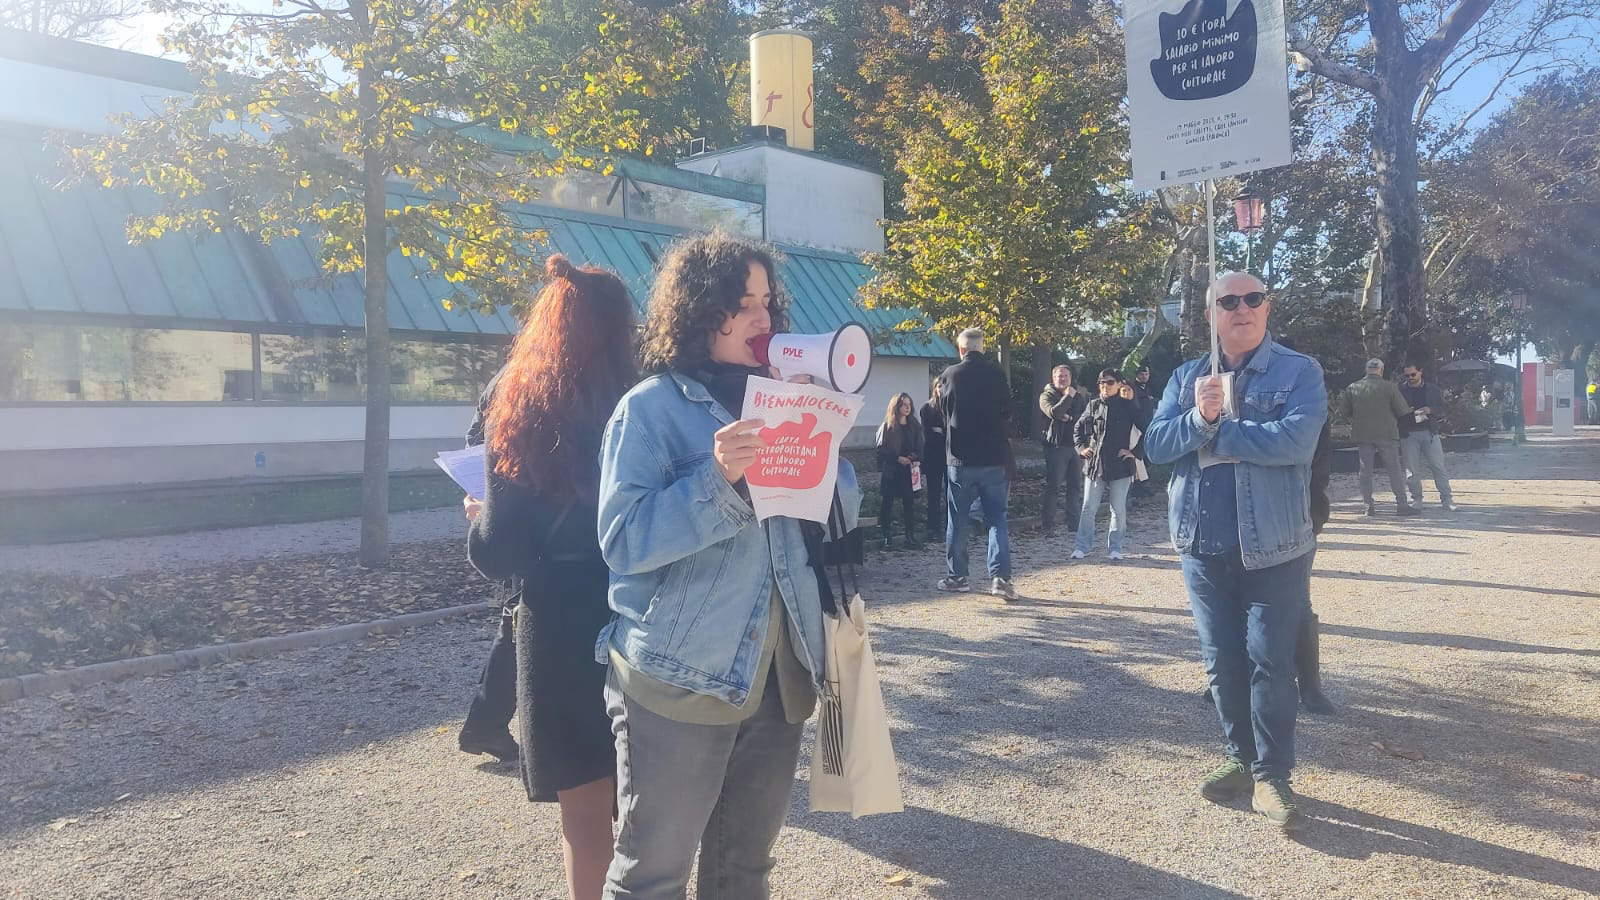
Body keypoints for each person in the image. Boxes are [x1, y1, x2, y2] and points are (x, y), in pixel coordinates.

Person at [595, 232, 860, 900]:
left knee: (745, 869)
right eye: (742, 304)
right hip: (679, 680)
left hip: (779, 678)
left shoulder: (783, 398)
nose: (763, 320)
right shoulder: (650, 408)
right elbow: (624, 542)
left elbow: (843, 514)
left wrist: (822, 434)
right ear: (698, 310)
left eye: (768, 303)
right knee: (653, 874)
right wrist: (718, 478)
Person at [466, 255, 635, 899]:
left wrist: (480, 515)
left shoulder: (524, 402)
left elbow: (500, 550)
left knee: (585, 817)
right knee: (652, 802)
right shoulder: (650, 395)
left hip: (560, 620)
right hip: (643, 608)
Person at [1145, 271, 1327, 831]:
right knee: (1222, 664)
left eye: (1253, 299)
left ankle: (1273, 776)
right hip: (1201, 545)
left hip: (1274, 548)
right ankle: (1242, 761)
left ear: (1267, 309)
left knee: (1270, 664)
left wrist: (1217, 432)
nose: (1241, 308)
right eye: (1228, 301)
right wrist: (1199, 417)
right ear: (1211, 315)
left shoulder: (1299, 372)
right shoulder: (1186, 377)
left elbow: (1297, 442)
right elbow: (1154, 446)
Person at [457, 365, 521, 765]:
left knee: (514, 624)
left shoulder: (504, 376)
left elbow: (474, 442)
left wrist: (480, 492)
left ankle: (485, 724)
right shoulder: (526, 375)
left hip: (503, 510)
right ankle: (485, 724)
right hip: (516, 514)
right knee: (516, 624)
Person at [935, 327, 1016, 600]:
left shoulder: (950, 375)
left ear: (961, 349)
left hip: (960, 459)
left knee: (958, 520)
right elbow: (1007, 412)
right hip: (994, 458)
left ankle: (958, 576)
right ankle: (1000, 579)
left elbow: (943, 413)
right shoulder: (997, 375)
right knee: (997, 520)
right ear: (983, 347)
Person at [1071, 370, 1142, 561]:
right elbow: (1078, 428)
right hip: (1095, 464)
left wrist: (1134, 453)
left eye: (1110, 382)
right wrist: (1081, 448)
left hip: (1120, 465)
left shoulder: (1129, 406)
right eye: (1101, 382)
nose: (1105, 386)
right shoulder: (1093, 405)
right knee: (1088, 507)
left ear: (1119, 384)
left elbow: (1148, 428)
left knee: (1118, 508)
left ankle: (1115, 548)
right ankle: (1082, 546)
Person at [1339, 358, 1417, 517]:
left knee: (1365, 471)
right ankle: (1402, 505)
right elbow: (1402, 411)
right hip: (1387, 434)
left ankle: (1368, 506)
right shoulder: (1390, 387)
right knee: (1394, 469)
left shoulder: (1353, 387)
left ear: (1366, 370)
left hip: (1363, 434)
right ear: (1381, 370)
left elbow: (1343, 412)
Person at [1398, 364, 1458, 511]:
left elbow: (1444, 409)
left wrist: (1430, 410)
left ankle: (1447, 499)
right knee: (1411, 470)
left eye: (1413, 375)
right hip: (1408, 433)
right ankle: (1417, 499)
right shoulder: (1400, 390)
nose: (1410, 378)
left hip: (1429, 432)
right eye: (1407, 376)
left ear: (1420, 372)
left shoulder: (1432, 389)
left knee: (1438, 467)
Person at [1038, 365, 1087, 538]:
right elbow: (1055, 412)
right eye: (1059, 376)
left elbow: (1082, 417)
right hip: (1056, 446)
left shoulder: (1078, 395)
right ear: (1053, 378)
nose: (1063, 379)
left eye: (1066, 376)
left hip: (1074, 445)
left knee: (1075, 486)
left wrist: (1069, 417)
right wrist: (1068, 397)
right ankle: (1048, 525)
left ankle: (1074, 524)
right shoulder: (1047, 395)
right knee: (1054, 486)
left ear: (1070, 377)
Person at [876, 391, 924, 547]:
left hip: (909, 471)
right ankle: (886, 536)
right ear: (896, 406)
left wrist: (914, 459)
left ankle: (909, 536)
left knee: (909, 503)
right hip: (892, 471)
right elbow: (881, 450)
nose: (907, 408)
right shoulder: (887, 426)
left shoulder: (915, 425)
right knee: (887, 503)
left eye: (909, 404)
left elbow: (920, 446)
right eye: (904, 404)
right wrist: (897, 458)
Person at [920, 380, 948, 539]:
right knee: (934, 493)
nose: (941, 389)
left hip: (950, 456)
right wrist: (942, 433)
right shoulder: (927, 408)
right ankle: (933, 528)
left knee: (951, 494)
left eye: (944, 386)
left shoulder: (951, 407)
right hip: (933, 456)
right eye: (939, 386)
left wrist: (941, 431)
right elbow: (928, 434)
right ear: (934, 388)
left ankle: (949, 526)